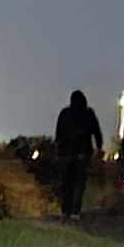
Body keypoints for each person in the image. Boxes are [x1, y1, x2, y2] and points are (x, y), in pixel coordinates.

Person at [51, 88, 103, 219]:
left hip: (66, 153)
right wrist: (98, 147)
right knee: (79, 182)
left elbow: (58, 134)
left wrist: (58, 150)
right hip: (82, 153)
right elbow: (96, 133)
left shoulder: (65, 113)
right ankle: (75, 209)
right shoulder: (88, 114)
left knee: (67, 181)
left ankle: (66, 209)